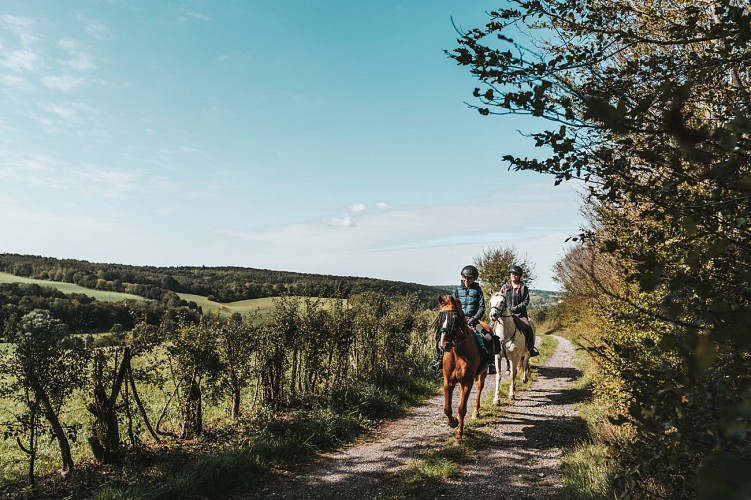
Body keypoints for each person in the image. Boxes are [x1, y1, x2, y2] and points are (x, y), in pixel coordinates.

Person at [430, 264, 496, 374]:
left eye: (469, 278)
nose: (466, 280)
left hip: (473, 319)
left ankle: (491, 362)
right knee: (441, 336)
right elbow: (452, 305)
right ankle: (439, 361)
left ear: (474, 279)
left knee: (488, 337)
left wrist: (475, 318)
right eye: (465, 278)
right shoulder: (457, 290)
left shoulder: (478, 290)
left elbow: (482, 307)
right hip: (458, 319)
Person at [500, 265, 539, 356]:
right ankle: (494, 348)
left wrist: (515, 308)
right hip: (507, 314)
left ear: (519, 275)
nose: (514, 275)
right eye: (512, 274)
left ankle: (530, 348)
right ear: (510, 275)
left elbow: (526, 301)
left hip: (520, 314)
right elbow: (501, 299)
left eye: (516, 274)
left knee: (529, 328)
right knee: (492, 326)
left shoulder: (523, 288)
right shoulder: (505, 287)